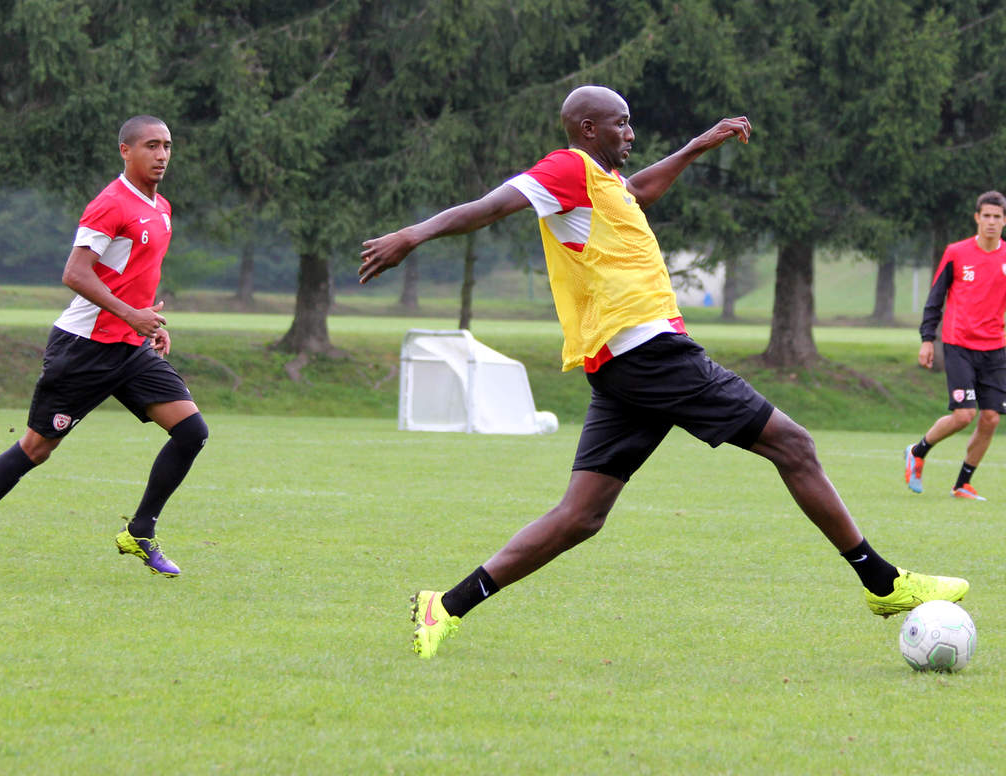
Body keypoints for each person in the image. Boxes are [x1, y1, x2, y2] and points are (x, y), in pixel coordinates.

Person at [359, 85, 969, 659]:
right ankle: (882, 583)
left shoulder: (605, 184)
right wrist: (413, 234)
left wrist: (700, 144)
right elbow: (492, 205)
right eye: (621, 123)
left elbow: (640, 191)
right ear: (588, 128)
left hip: (624, 365)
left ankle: (444, 606)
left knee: (580, 517)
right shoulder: (568, 168)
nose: (631, 132)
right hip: (650, 355)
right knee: (794, 445)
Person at [0, 115, 208, 580]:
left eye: (167, 145)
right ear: (125, 150)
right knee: (37, 448)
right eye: (151, 145)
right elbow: (75, 273)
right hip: (83, 349)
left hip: (129, 348)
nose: (162, 155)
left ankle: (140, 532)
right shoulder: (110, 203)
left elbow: (132, 275)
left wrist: (147, 322)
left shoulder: (161, 208)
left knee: (191, 432)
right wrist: (131, 315)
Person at [904, 190, 1006, 500]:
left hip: (994, 348)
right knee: (964, 415)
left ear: (1005, 220)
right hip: (959, 344)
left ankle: (962, 484)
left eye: (997, 217)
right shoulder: (956, 253)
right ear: (977, 218)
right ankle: (917, 452)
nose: (991, 222)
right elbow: (935, 298)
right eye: (986, 216)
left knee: (990, 418)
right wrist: (927, 339)